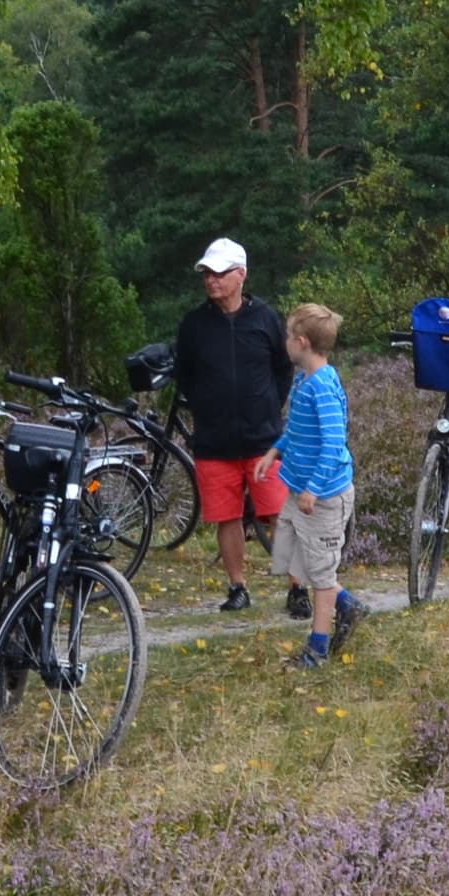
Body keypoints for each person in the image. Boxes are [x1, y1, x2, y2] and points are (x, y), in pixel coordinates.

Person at [170, 236, 304, 617]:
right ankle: (237, 587)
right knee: (225, 517)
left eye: (219, 273)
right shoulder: (194, 325)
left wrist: (268, 408)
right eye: (207, 274)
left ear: (241, 275)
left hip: (265, 440)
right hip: (215, 440)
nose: (211, 280)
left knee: (280, 515)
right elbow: (186, 375)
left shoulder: (265, 318)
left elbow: (283, 369)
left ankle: (297, 589)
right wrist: (206, 408)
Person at [271, 302, 360, 661]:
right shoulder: (303, 380)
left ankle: (317, 649)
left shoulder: (322, 386)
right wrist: (273, 453)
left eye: (289, 336)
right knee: (296, 559)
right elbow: (295, 430)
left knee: (321, 574)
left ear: (302, 342)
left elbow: (333, 442)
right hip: (300, 491)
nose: (285, 342)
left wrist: (313, 488)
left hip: (322, 496)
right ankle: (349, 604)